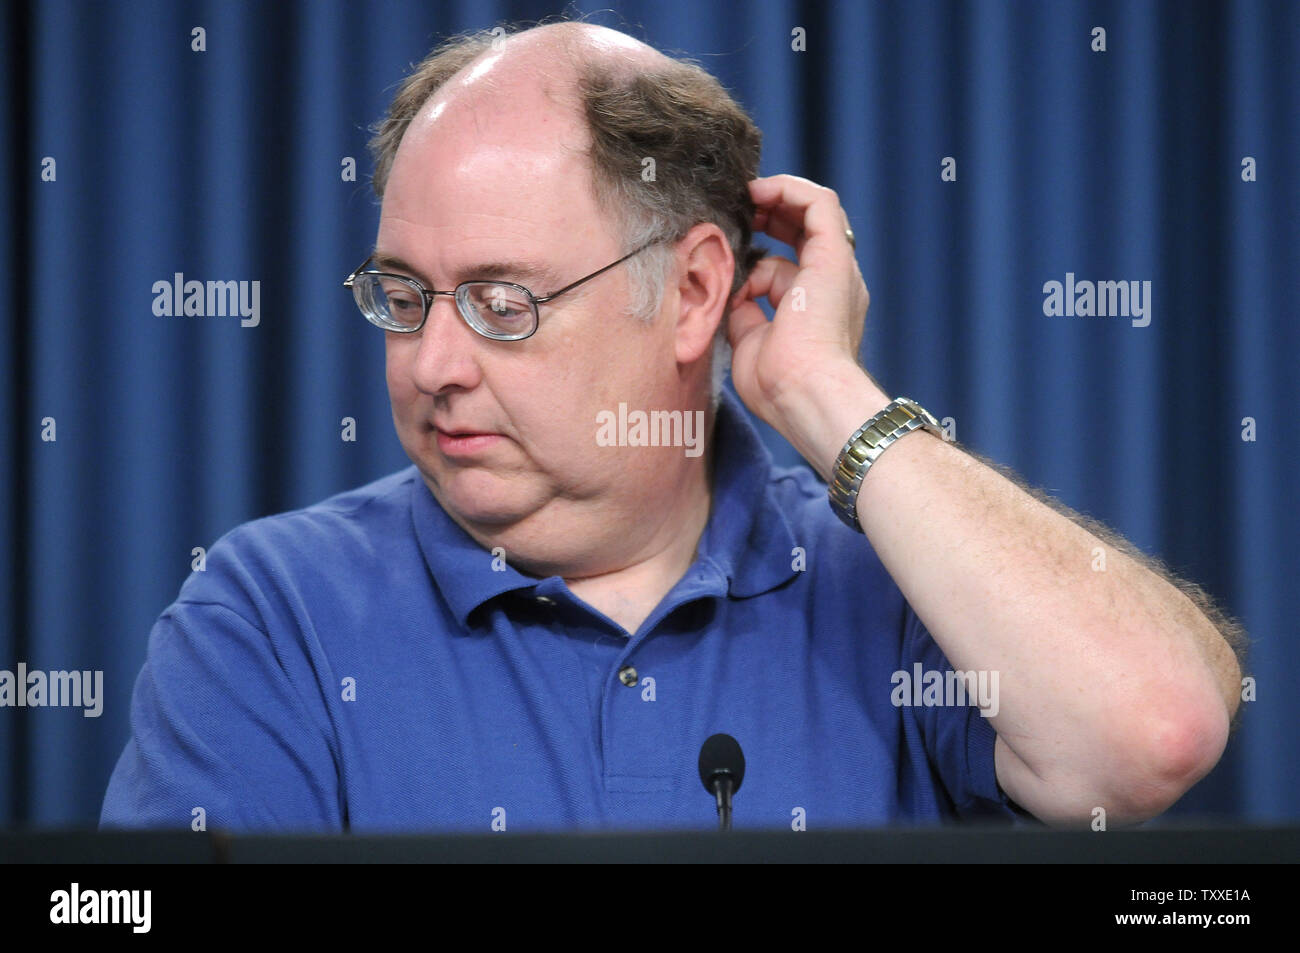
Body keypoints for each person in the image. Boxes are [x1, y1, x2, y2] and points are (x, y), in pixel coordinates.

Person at [101, 21, 1246, 834]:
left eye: (505, 303)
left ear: (695, 292)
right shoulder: (268, 615)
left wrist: (824, 394)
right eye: (405, 295)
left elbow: (1150, 732)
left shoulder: (893, 591)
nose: (432, 364)